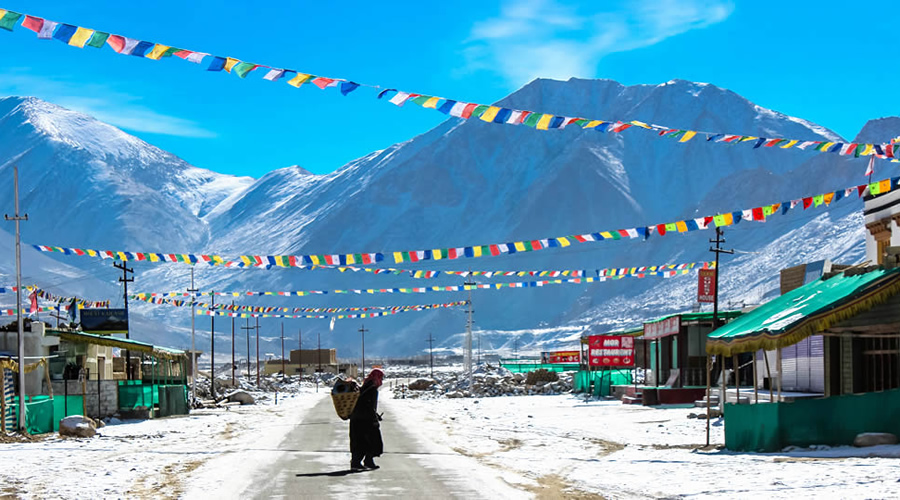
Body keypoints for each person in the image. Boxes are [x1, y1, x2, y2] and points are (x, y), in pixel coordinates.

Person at [349, 368, 384, 470]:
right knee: (372, 441)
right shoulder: (372, 389)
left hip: (356, 418)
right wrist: (375, 419)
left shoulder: (365, 386)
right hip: (365, 420)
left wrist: (375, 415)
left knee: (359, 442)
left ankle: (357, 462)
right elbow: (369, 405)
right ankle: (367, 461)